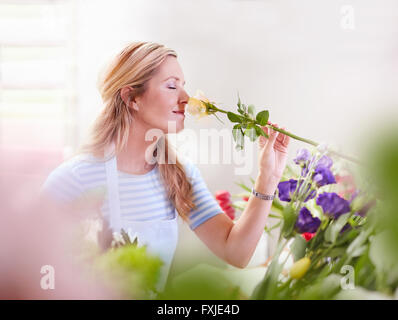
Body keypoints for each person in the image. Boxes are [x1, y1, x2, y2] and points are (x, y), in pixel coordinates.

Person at [40, 41, 290, 292]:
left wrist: (267, 178)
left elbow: (235, 252)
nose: (185, 98)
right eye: (171, 86)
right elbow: (36, 275)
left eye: (183, 86)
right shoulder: (74, 180)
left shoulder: (180, 175)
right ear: (131, 98)